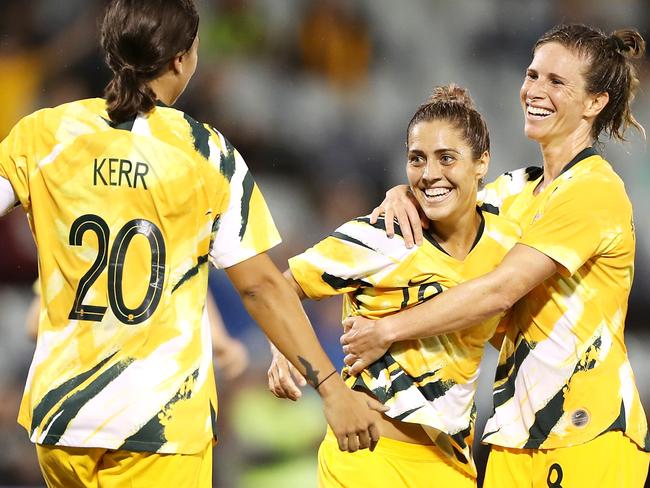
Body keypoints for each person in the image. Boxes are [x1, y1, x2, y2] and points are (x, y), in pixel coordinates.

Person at [0, 1, 386, 486]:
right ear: (181, 59)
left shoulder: (44, 134)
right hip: (156, 424)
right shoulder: (205, 153)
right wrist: (332, 390)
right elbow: (261, 287)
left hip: (61, 421)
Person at [340, 24, 650, 487]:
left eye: (557, 82)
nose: (534, 91)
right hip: (514, 436)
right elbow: (444, 199)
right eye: (532, 74)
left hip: (588, 430)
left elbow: (500, 290)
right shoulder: (515, 190)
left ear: (594, 103)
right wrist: (402, 192)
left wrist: (387, 331)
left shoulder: (595, 190)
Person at [268, 84, 522, 487]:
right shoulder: (384, 235)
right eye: (416, 159)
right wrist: (284, 347)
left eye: (447, 158)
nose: (428, 174)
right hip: (367, 456)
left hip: (449, 465)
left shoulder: (509, 241)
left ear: (482, 162)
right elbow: (278, 289)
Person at [26, 286, 249, 381]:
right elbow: (189, 282)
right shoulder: (168, 225)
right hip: (150, 393)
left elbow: (35, 325)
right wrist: (222, 343)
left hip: (74, 397)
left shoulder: (73, 242)